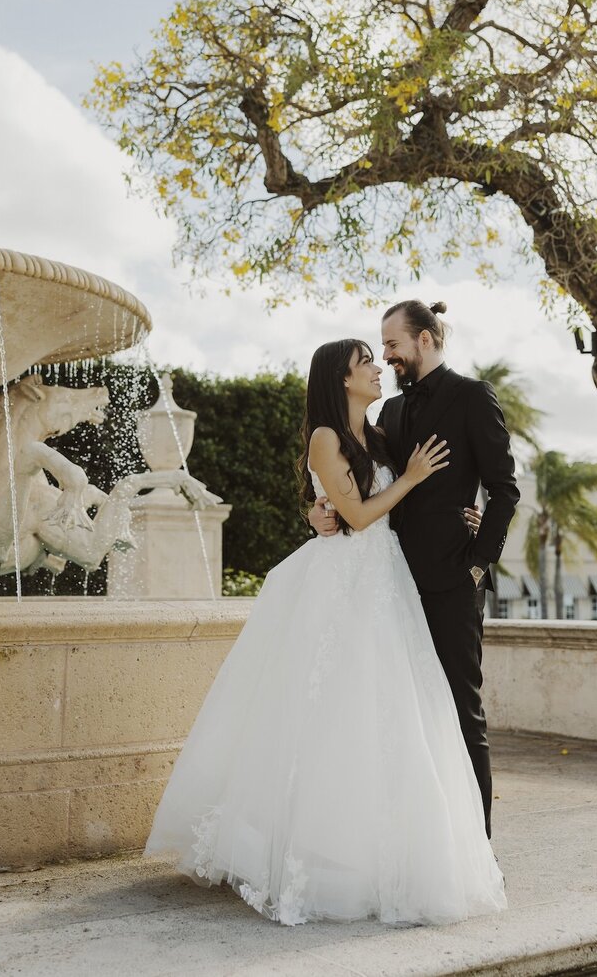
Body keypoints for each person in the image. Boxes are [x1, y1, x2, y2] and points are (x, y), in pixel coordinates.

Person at [145, 338, 507, 926]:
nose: (376, 368)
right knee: (330, 710)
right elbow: (360, 517)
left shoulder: (382, 435)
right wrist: (410, 479)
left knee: (388, 714)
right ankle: (315, 855)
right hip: (345, 579)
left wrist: (466, 512)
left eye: (376, 357)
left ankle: (382, 853)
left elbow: (378, 508)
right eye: (365, 361)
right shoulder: (325, 437)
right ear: (341, 378)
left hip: (387, 580)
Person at [310, 300, 520, 838]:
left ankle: (476, 845)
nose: (387, 356)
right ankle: (419, 840)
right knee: (403, 713)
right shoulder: (390, 415)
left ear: (424, 339)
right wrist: (319, 513)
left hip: (454, 580)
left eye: (393, 344)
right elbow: (356, 480)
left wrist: (479, 563)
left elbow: (504, 487)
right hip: (393, 584)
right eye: (380, 349)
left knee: (460, 711)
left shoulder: (473, 396)